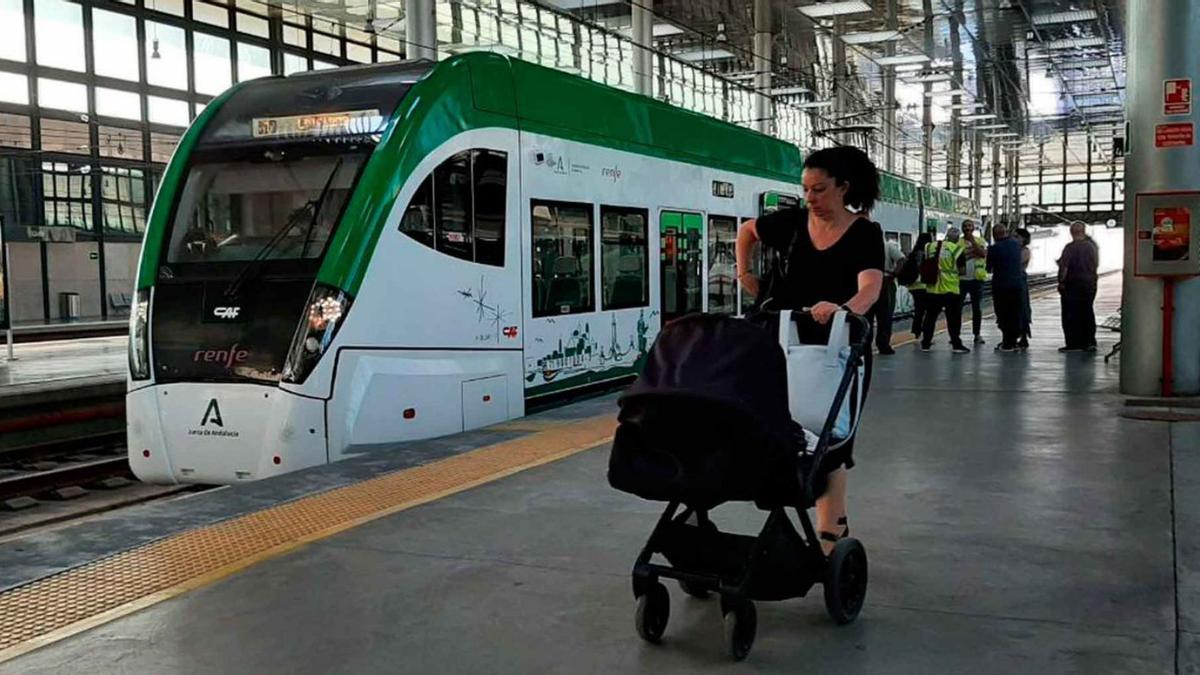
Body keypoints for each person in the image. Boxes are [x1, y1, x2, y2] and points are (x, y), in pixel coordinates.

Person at [736, 146, 883, 555]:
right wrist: (744, 273)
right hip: (781, 342)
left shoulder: (865, 233)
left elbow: (870, 287)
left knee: (831, 438)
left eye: (818, 189)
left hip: (838, 348)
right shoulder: (791, 224)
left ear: (843, 188)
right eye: (805, 190)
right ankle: (792, 512)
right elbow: (747, 231)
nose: (810, 198)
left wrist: (843, 310)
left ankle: (829, 530)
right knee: (777, 429)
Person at [920, 227, 970, 353]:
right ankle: (956, 344)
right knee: (953, 318)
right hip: (950, 289)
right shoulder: (958, 249)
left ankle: (926, 343)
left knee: (930, 317)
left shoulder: (929, 247)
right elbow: (963, 271)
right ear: (957, 239)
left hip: (932, 288)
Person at [1057, 221, 1099, 352]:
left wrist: (1061, 282)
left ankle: (1074, 343)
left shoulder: (1070, 248)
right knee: (1087, 312)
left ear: (1071, 232)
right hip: (1090, 284)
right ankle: (1089, 342)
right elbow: (1096, 264)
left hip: (1072, 285)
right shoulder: (1092, 246)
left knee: (1071, 315)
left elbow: (1064, 267)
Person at [985, 224, 1025, 351]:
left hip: (1001, 286)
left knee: (1003, 314)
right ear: (1006, 233)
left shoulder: (994, 248)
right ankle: (1013, 341)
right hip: (1017, 285)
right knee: (1014, 313)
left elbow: (989, 268)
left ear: (994, 235)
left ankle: (1007, 343)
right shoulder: (1016, 245)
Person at [871, 235, 906, 355]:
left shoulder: (864, 247)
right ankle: (883, 345)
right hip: (885, 281)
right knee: (885, 316)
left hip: (867, 283)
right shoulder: (888, 246)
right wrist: (894, 274)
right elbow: (902, 259)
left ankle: (864, 344)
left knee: (867, 315)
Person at [958, 220, 988, 345]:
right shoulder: (957, 242)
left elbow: (982, 254)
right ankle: (956, 335)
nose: (967, 228)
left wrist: (973, 243)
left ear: (974, 228)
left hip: (977, 279)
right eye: (965, 226)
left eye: (969, 226)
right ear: (962, 228)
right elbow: (958, 257)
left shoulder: (980, 241)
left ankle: (977, 334)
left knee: (977, 309)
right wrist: (973, 252)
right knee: (957, 309)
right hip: (961, 279)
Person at [905, 231, 932, 339]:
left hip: (913, 286)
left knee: (918, 310)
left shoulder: (913, 253)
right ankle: (925, 332)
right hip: (925, 285)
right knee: (927, 311)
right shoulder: (928, 253)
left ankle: (916, 331)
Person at [1015, 228, 1033, 350]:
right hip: (1014, 280)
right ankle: (1015, 335)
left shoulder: (1025, 251)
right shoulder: (1014, 249)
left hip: (1019, 280)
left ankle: (1023, 336)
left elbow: (1017, 262)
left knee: (1022, 307)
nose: (1014, 239)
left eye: (1017, 237)